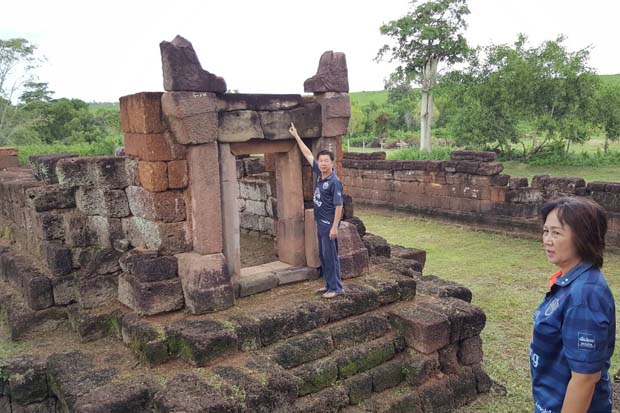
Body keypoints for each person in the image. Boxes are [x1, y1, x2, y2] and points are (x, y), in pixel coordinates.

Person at [531, 197, 615, 413]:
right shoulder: (570, 281)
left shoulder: (585, 295)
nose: (547, 240)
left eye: (556, 233)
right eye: (546, 231)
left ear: (582, 238)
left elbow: (585, 379)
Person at [288, 122, 345, 299]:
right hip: (320, 223)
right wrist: (296, 136)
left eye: (326, 161)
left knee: (331, 256)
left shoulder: (335, 182)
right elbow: (307, 154)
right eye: (320, 161)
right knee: (323, 255)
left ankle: (336, 288)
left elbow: (339, 205)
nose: (322, 164)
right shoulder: (320, 174)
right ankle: (328, 284)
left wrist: (335, 227)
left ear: (332, 163)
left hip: (329, 224)